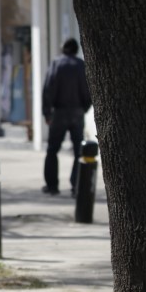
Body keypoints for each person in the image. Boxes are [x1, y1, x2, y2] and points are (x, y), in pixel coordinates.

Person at [42, 38, 91, 197]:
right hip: (77, 112)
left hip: (59, 112)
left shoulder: (57, 64)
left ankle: (52, 185)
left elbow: (48, 88)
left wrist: (47, 112)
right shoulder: (81, 65)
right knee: (79, 151)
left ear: (63, 48)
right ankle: (76, 185)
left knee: (52, 150)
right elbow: (88, 89)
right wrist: (84, 108)